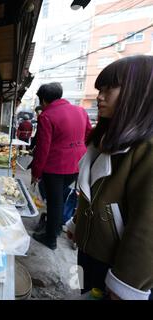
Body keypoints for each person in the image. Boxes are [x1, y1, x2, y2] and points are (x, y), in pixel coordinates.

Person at [66, 55, 153, 300]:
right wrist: (76, 223)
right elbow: (92, 193)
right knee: (81, 291)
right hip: (87, 246)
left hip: (115, 265)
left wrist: (126, 285)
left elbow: (147, 227)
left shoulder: (146, 149)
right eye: (99, 90)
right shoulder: (103, 140)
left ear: (139, 92)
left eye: (109, 89)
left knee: (98, 295)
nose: (100, 97)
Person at [30, 82, 92, 250]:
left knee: (54, 201)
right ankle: (55, 228)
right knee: (59, 197)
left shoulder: (46, 116)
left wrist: (36, 173)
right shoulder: (80, 111)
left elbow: (43, 149)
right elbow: (89, 135)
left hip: (55, 166)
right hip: (76, 164)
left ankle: (50, 238)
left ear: (43, 100)